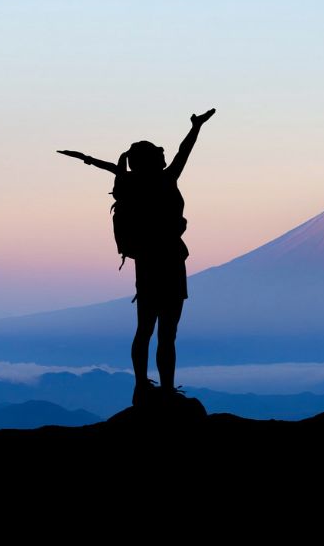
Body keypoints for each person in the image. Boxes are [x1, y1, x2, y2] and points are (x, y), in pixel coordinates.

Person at [58, 108, 215, 406]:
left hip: (147, 263)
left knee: (145, 328)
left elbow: (114, 170)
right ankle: (165, 389)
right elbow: (185, 151)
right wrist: (196, 127)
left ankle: (141, 385)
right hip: (170, 260)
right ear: (153, 161)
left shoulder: (132, 185)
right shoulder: (167, 180)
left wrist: (87, 159)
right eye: (159, 155)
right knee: (167, 331)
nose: (164, 157)